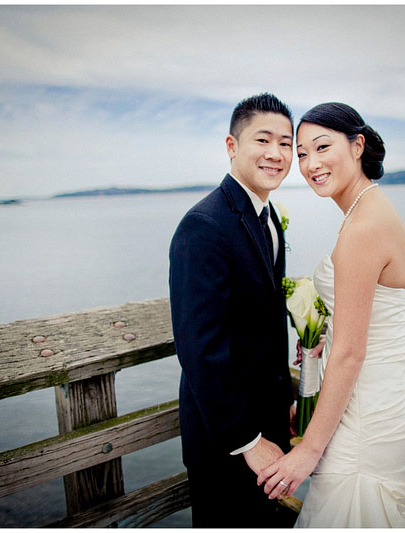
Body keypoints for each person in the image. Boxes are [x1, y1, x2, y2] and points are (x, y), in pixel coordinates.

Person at [257, 102, 405, 528]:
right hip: (395, 398)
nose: (311, 164)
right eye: (303, 152)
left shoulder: (362, 229)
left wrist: (307, 451)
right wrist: (337, 330)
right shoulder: (377, 210)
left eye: (323, 147)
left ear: (357, 145)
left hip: (368, 418)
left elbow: (350, 354)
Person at [168, 93, 297, 527]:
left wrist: (286, 401)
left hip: (269, 427)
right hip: (226, 444)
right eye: (263, 140)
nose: (276, 154)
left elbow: (258, 324)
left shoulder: (267, 215)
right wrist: (248, 441)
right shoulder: (204, 225)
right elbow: (200, 349)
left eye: (285, 142)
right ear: (231, 146)